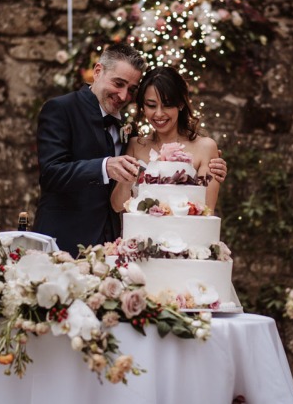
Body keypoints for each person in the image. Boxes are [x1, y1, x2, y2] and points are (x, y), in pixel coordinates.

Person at [34, 44, 226, 256]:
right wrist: (105, 167)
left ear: (180, 104)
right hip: (66, 239)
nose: (124, 95)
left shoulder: (127, 129)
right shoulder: (62, 109)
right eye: (118, 83)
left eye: (131, 89)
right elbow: (51, 173)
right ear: (98, 72)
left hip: (116, 247)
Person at [110, 66, 220, 214]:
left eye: (167, 105)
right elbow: (118, 206)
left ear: (180, 104)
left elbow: (207, 211)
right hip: (140, 235)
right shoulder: (135, 145)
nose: (159, 114)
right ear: (143, 106)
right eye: (151, 105)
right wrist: (127, 180)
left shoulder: (206, 147)